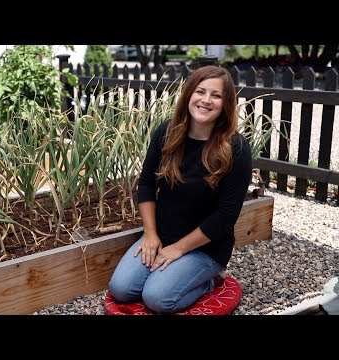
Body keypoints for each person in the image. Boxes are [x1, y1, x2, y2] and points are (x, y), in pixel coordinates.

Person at [108, 65, 252, 314]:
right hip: (162, 235)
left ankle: (210, 281)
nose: (206, 100)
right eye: (200, 91)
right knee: (121, 289)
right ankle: (170, 269)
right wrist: (151, 235)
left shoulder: (236, 148)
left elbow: (225, 216)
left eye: (216, 95)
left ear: (226, 103)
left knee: (157, 298)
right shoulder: (167, 132)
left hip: (205, 247)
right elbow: (146, 184)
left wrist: (179, 249)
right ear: (189, 95)